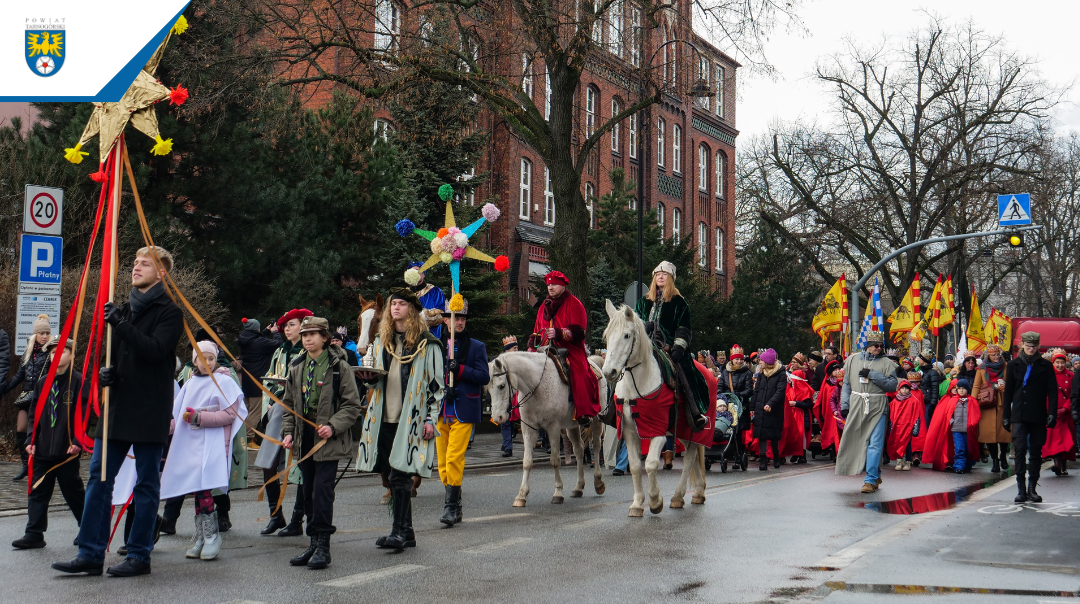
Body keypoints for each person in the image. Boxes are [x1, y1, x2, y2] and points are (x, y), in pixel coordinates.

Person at [53, 246, 183, 578]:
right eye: (135, 262)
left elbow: (155, 351)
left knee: (146, 485)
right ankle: (90, 552)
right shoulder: (125, 307)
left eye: (145, 264)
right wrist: (105, 375)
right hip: (118, 407)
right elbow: (121, 355)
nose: (136, 267)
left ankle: (139, 554)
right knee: (98, 479)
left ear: (161, 273)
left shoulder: (169, 311)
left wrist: (121, 325)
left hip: (150, 409)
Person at [356, 288, 443, 551]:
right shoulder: (383, 341)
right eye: (393, 304)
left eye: (402, 304)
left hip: (412, 418)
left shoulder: (428, 344)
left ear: (412, 310)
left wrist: (431, 419)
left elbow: (436, 386)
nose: (395, 307)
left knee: (401, 476)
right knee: (392, 474)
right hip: (384, 416)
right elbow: (377, 377)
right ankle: (407, 532)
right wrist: (369, 379)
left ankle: (397, 532)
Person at [279, 316, 362, 569]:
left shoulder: (340, 367)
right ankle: (313, 543)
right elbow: (290, 405)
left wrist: (333, 426)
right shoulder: (297, 367)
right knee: (307, 493)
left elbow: (352, 405)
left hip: (328, 439)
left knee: (322, 493)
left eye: (313, 334)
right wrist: (289, 431)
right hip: (304, 438)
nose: (307, 339)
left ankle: (323, 546)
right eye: (304, 334)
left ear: (325, 337)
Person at [159, 342, 247, 561]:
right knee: (197, 491)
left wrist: (200, 417)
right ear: (194, 360)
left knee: (205, 489)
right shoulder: (189, 383)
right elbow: (177, 414)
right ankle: (201, 535)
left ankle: (211, 536)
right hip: (190, 446)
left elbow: (230, 415)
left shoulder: (224, 382)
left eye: (211, 358)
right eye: (201, 358)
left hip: (213, 444)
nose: (206, 362)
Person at [12, 337, 87, 549]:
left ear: (72, 355)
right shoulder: (42, 382)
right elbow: (34, 415)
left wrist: (78, 442)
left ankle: (87, 528)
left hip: (67, 450)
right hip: (43, 449)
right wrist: (30, 440)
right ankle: (34, 533)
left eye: (63, 351)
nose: (57, 355)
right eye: (53, 352)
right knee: (38, 491)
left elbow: (85, 415)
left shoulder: (79, 381)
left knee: (73, 491)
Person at [252, 308, 311, 536]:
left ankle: (297, 519)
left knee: (300, 467)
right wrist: (268, 404)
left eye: (292, 324)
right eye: (285, 326)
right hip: (278, 409)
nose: (287, 329)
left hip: (301, 411)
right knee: (268, 463)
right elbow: (269, 379)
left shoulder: (308, 352)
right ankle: (276, 515)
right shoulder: (279, 351)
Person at [634, 262, 709, 430]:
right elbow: (634, 323)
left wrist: (678, 347)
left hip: (668, 348)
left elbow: (684, 328)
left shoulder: (679, 303)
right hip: (645, 347)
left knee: (684, 371)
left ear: (671, 278)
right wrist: (643, 328)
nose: (660, 276)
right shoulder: (642, 302)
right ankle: (610, 407)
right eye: (657, 274)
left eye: (665, 274)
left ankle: (695, 412)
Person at [437, 296, 489, 525]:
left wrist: (460, 370)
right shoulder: (435, 345)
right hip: (440, 408)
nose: (458, 322)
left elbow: (483, 376)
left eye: (462, 318)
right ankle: (456, 504)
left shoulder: (477, 346)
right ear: (445, 320)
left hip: (463, 409)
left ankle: (450, 506)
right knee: (441, 464)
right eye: (454, 317)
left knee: (453, 458)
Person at [528, 271, 600, 425]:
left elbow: (580, 331)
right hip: (544, 349)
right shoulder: (543, 307)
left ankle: (583, 411)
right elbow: (536, 330)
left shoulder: (575, 304)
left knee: (580, 371)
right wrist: (531, 348)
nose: (550, 287)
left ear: (562, 285)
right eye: (548, 284)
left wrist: (560, 333)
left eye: (553, 284)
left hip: (570, 349)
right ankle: (522, 411)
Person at [836, 330, 898, 494]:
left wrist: (873, 375)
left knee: (875, 444)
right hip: (857, 404)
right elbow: (847, 385)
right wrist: (844, 404)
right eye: (875, 346)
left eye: (880, 346)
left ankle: (869, 480)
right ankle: (875, 474)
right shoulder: (851, 360)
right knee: (855, 439)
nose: (878, 348)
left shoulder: (887, 363)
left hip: (877, 405)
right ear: (868, 346)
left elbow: (892, 386)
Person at [1003, 332, 1057, 503]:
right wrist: (1006, 415)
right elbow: (1008, 392)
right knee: (1019, 450)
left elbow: (1053, 392)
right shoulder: (1013, 364)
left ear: (1038, 346)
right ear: (1022, 346)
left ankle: (1032, 488)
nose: (1031, 349)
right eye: (1028, 346)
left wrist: (1052, 413)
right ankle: (1020, 489)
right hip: (1019, 413)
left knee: (1036, 452)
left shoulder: (1046, 366)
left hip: (1038, 413)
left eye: (1034, 346)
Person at [5, 314, 52, 481]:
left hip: (44, 399)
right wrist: (4, 389)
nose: (45, 336)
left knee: (40, 433)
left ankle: (40, 465)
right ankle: (26, 465)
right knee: (21, 429)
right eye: (41, 333)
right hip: (27, 397)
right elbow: (19, 375)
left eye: (47, 333)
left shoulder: (52, 352)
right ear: (35, 335)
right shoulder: (29, 351)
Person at [237, 317, 282, 444]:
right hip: (257, 380)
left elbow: (257, 339)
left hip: (247, 379)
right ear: (256, 328)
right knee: (256, 411)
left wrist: (266, 331)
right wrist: (275, 332)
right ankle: (248, 438)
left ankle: (242, 436)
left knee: (247, 409)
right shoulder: (259, 342)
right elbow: (278, 343)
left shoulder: (244, 339)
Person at [923, 378, 980, 473]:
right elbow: (948, 413)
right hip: (956, 429)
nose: (961, 390)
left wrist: (972, 424)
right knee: (959, 448)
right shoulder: (953, 400)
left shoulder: (972, 401)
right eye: (959, 388)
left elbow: (976, 414)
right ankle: (959, 466)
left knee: (969, 448)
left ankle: (967, 465)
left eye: (963, 388)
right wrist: (951, 422)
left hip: (968, 429)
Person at [972, 344, 1010, 472]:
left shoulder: (1006, 366)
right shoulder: (981, 368)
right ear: (988, 355)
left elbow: (1012, 382)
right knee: (989, 435)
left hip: (1002, 402)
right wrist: (973, 402)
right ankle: (995, 461)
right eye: (993, 355)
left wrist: (1006, 386)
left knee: (1004, 433)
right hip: (986, 404)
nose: (996, 357)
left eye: (998, 355)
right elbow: (976, 386)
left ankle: (1003, 457)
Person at [753, 349, 786, 471]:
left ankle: (776, 458)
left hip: (774, 409)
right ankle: (763, 461)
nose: (759, 362)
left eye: (761, 360)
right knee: (761, 434)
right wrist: (752, 407)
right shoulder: (761, 373)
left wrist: (770, 403)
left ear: (767, 362)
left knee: (773, 435)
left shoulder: (781, 374)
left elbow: (780, 391)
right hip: (760, 407)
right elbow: (756, 391)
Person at [1045, 350, 1076, 476]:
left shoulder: (1071, 376)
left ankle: (1063, 465)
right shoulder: (1047, 376)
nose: (1059, 365)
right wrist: (1050, 410)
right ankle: (1057, 464)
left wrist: (1066, 408)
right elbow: (1045, 395)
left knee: (1066, 442)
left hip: (1065, 414)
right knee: (1055, 442)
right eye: (1057, 362)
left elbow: (1073, 395)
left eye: (1062, 362)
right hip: (1053, 413)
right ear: (1053, 363)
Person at [718, 344, 753, 440]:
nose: (739, 361)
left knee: (739, 431)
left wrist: (738, 395)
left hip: (740, 405)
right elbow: (720, 386)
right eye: (737, 359)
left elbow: (749, 390)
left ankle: (739, 452)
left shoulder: (747, 373)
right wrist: (722, 397)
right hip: (727, 405)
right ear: (732, 360)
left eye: (741, 359)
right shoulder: (725, 372)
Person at [886, 379, 923, 471]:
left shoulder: (914, 401)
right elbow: (892, 415)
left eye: (906, 388)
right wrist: (891, 426)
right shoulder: (895, 401)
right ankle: (899, 462)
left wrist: (915, 428)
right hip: (898, 427)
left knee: (908, 445)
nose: (904, 390)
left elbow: (917, 415)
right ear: (899, 389)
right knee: (898, 443)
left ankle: (907, 462)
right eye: (902, 388)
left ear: (909, 389)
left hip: (908, 426)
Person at [407, 260, 448, 339]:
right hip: (407, 339)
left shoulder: (435, 291)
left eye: (417, 271)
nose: (414, 274)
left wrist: (418, 317)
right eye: (411, 271)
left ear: (423, 274)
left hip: (429, 339)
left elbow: (442, 315)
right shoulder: (404, 293)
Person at [784, 369, 814, 464]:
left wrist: (795, 403)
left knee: (801, 435)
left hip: (801, 415)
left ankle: (802, 454)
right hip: (793, 415)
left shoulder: (805, 391)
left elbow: (808, 404)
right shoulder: (791, 389)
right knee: (794, 436)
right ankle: (796, 453)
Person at [815, 359, 844, 456]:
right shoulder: (827, 385)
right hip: (830, 412)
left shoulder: (842, 383)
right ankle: (833, 450)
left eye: (838, 369)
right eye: (834, 370)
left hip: (840, 412)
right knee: (832, 432)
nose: (837, 371)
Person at [499, 336, 522, 457]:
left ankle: (507, 442)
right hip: (505, 396)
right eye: (514, 348)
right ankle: (508, 446)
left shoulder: (520, 362)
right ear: (507, 350)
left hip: (518, 395)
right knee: (506, 422)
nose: (516, 350)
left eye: (517, 348)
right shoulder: (499, 362)